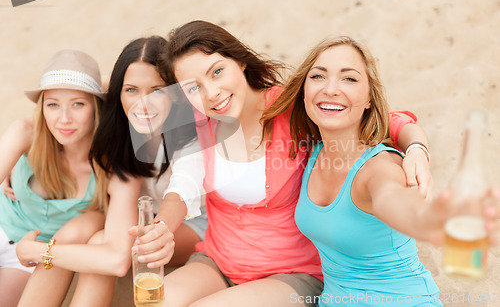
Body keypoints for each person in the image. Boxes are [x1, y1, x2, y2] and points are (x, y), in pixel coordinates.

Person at [135, 20, 433, 307]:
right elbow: (184, 183)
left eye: (217, 72)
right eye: (192, 87)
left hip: (291, 274)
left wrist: (417, 148)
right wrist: (163, 227)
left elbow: (385, 119)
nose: (211, 93)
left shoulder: (289, 109)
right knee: (154, 301)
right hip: (219, 260)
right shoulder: (202, 120)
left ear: (240, 62)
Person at [264, 36, 497, 306]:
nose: (330, 89)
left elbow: (392, 198)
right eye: (318, 76)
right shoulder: (311, 151)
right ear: (304, 90)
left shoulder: (380, 167)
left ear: (370, 100)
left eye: (349, 79)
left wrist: (429, 222)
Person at [17, 36, 206, 306]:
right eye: (131, 90)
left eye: (156, 90)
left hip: (190, 220)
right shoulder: (119, 132)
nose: (143, 103)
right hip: (142, 212)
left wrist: (37, 251)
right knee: (74, 232)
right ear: (118, 92)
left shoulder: (189, 136)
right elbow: (91, 91)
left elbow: (181, 192)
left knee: (100, 243)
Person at [0, 49, 107, 307]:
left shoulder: (107, 167)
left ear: (97, 107)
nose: (64, 119)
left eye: (78, 104)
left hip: (29, 256)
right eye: (53, 104)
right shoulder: (26, 133)